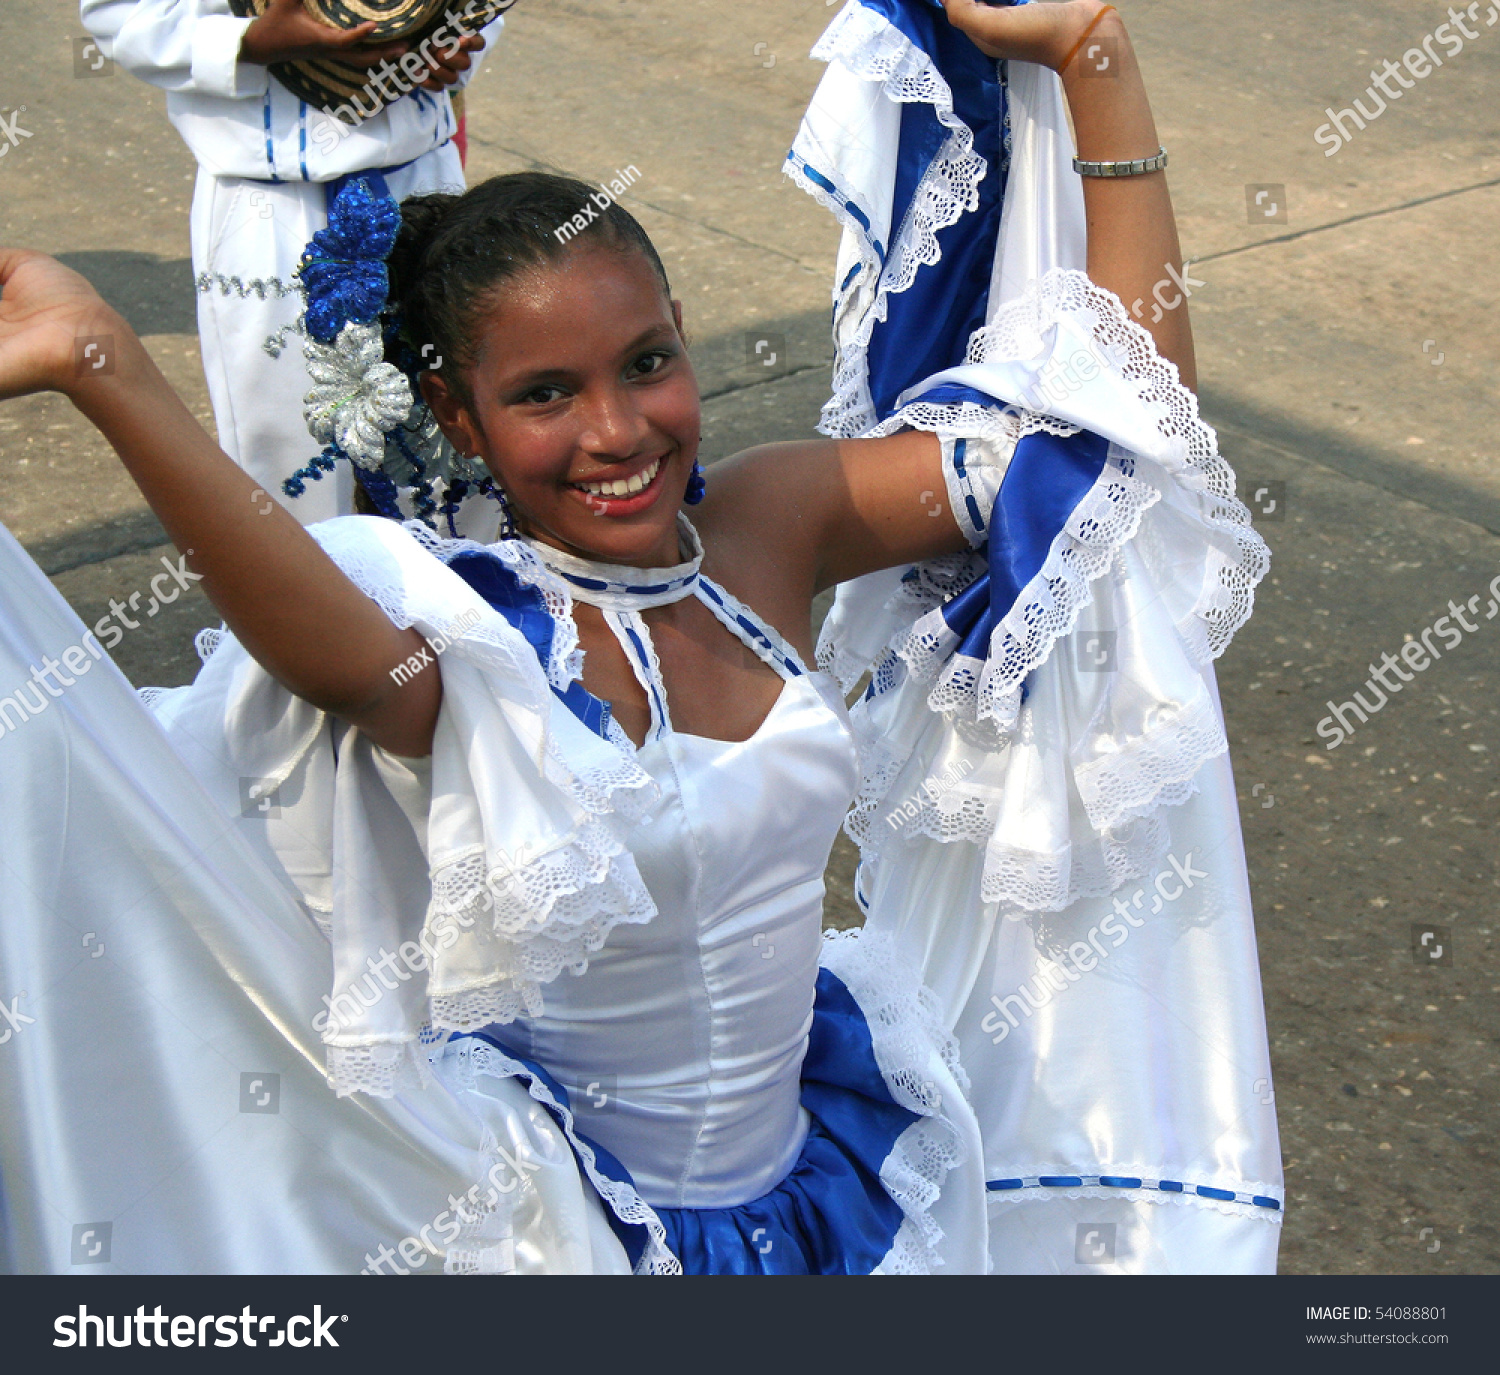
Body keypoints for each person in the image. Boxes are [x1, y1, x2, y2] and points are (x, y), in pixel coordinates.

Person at [0, 0, 1280, 1274]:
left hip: (826, 1198)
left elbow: (1106, 437)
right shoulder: (473, 635)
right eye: (544, 394)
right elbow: (328, 649)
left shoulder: (775, 523)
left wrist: (1093, 56)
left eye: (648, 361)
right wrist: (101, 361)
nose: (618, 433)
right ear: (456, 414)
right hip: (568, 1239)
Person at [78, 0, 509, 526]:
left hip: (422, 175)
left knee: (455, 428)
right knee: (294, 454)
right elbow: (120, 15)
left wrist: (450, 37)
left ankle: (462, 601)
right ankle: (309, 603)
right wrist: (251, 43)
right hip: (270, 209)